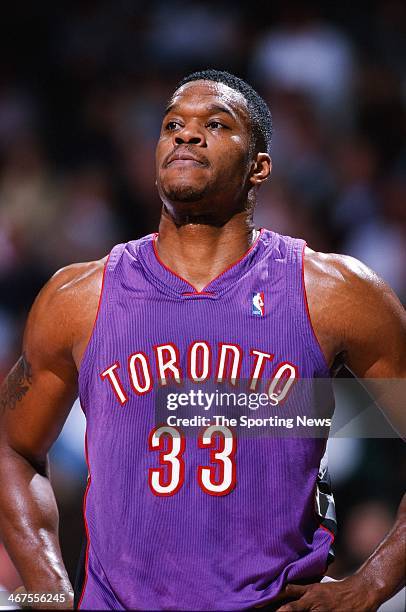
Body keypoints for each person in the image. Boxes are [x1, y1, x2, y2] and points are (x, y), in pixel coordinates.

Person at [0, 70, 404, 611]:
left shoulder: (336, 294)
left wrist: (375, 582)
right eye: (172, 125)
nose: (186, 135)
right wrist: (47, 588)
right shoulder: (78, 297)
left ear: (259, 167)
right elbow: (12, 447)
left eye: (215, 124)